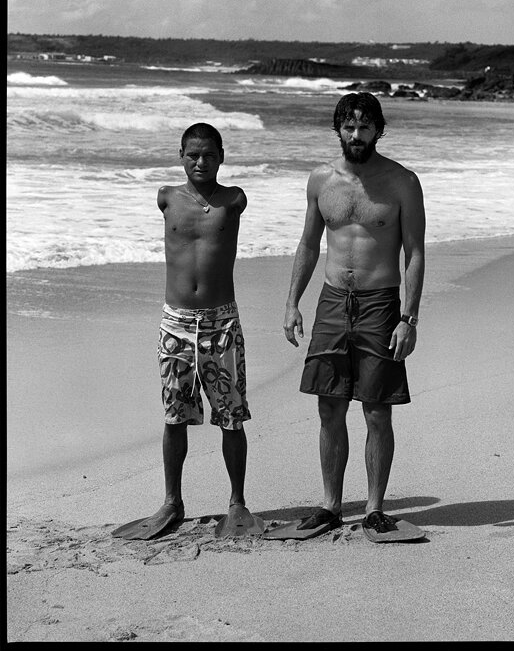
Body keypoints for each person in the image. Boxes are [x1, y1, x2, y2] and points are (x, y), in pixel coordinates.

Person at [283, 92, 425, 538]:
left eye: (365, 127)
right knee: (329, 407)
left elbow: (414, 252)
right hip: (331, 301)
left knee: (377, 410)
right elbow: (308, 244)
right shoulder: (320, 180)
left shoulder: (402, 182)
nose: (356, 135)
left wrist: (409, 317)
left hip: (380, 304)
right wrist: (292, 302)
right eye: (348, 127)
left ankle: (376, 509)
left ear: (379, 130)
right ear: (337, 129)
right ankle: (329, 505)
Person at [113, 122, 255, 539]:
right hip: (176, 322)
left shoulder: (234, 200)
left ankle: (238, 504)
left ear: (221, 157)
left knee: (231, 416)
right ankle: (172, 502)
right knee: (174, 415)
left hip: (221, 323)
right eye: (192, 154)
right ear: (181, 155)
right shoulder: (167, 198)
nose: (201, 162)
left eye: (209, 155)